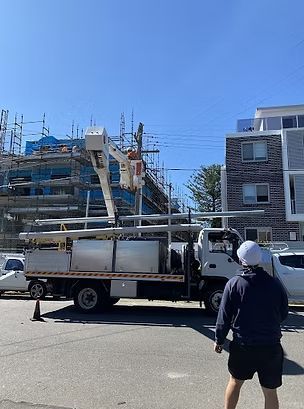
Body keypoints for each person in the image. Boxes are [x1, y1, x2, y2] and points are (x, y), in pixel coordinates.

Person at [214, 240, 288, 409]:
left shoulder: (233, 284)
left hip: (243, 345)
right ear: (259, 259)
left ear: (241, 260)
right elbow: (283, 313)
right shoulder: (275, 284)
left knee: (235, 382)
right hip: (270, 346)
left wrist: (219, 340)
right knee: (270, 391)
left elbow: (223, 317)